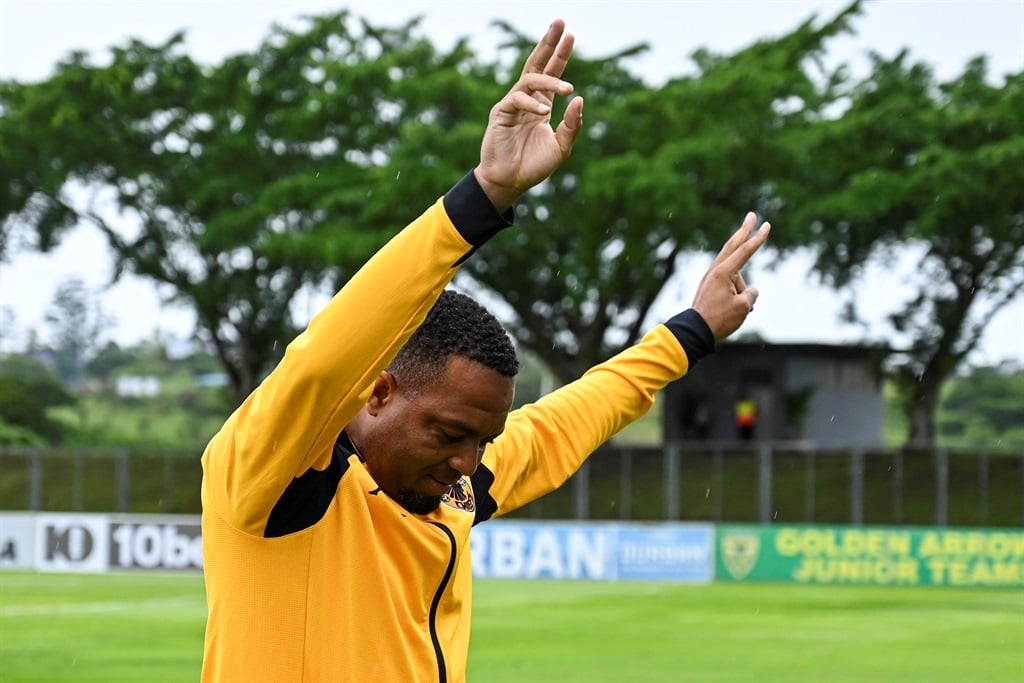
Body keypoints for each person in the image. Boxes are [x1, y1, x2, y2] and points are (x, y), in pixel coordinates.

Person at [199, 19, 769, 683]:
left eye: (480, 438)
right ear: (377, 390)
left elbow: (568, 421)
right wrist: (482, 198)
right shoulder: (273, 474)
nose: (468, 461)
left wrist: (692, 330)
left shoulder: (455, 480)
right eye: (450, 432)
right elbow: (323, 360)